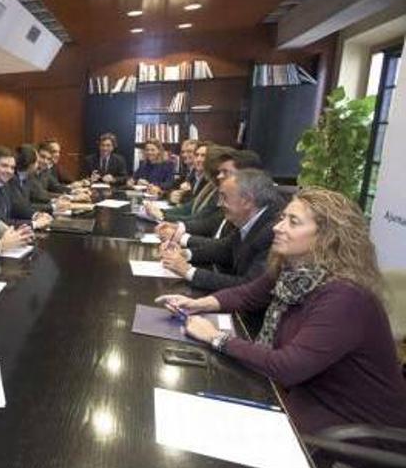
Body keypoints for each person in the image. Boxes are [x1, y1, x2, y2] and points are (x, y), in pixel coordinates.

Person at [157, 188, 406, 435]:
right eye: (282, 218)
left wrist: (215, 337)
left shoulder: (346, 297)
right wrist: (198, 304)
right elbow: (247, 294)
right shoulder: (293, 269)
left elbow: (287, 367)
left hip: (350, 427)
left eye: (293, 222)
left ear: (327, 237)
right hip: (303, 398)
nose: (278, 227)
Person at [160, 169, 281, 331]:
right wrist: (186, 254)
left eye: (224, 197)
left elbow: (248, 286)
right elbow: (225, 248)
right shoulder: (250, 217)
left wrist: (189, 271)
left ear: (246, 201)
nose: (219, 204)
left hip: (253, 325)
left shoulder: (274, 231)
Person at [0, 146, 53, 229]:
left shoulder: (4, 183)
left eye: (12, 167)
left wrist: (35, 215)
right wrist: (34, 224)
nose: (9, 171)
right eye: (4, 166)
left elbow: (15, 207)